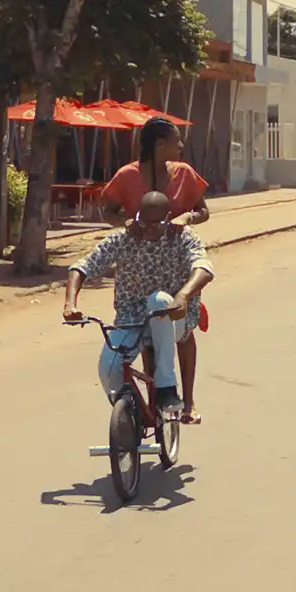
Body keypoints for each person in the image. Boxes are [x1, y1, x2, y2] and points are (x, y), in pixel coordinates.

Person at [63, 191, 215, 420]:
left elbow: (204, 268)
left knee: (159, 301)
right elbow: (82, 267)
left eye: (156, 223)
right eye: (143, 221)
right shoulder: (124, 239)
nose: (149, 228)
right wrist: (70, 304)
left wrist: (183, 295)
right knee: (109, 368)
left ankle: (166, 389)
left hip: (173, 316)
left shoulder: (182, 238)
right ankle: (130, 415)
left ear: (168, 218)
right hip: (130, 319)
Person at [100, 117, 211, 421]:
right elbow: (106, 209)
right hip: (141, 269)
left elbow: (203, 210)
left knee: (183, 332)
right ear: (159, 144)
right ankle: (156, 407)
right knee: (149, 337)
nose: (181, 146)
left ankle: (188, 403)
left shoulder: (184, 174)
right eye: (176, 140)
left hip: (176, 266)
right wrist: (123, 224)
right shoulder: (127, 176)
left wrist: (186, 218)